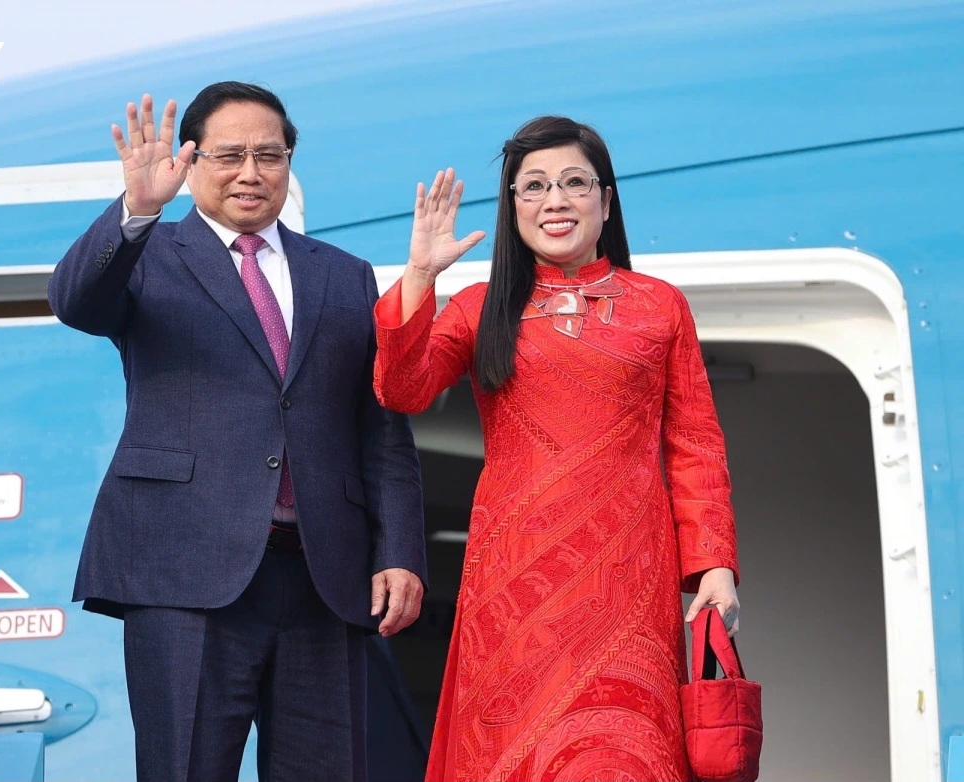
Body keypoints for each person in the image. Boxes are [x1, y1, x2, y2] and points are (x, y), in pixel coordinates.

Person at [47, 82, 427, 782]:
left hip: (322, 575)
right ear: (191, 162)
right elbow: (74, 301)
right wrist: (136, 210)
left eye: (268, 156)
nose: (250, 172)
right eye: (229, 155)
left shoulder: (344, 276)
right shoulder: (148, 254)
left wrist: (399, 551)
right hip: (182, 571)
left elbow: (381, 431)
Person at [372, 116, 741, 781]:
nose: (555, 200)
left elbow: (694, 445)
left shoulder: (660, 306)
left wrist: (714, 566)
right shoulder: (480, 307)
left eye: (575, 182)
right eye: (534, 186)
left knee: (624, 750)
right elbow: (400, 389)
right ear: (513, 205)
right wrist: (420, 276)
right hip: (515, 583)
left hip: (631, 578)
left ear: (606, 200)